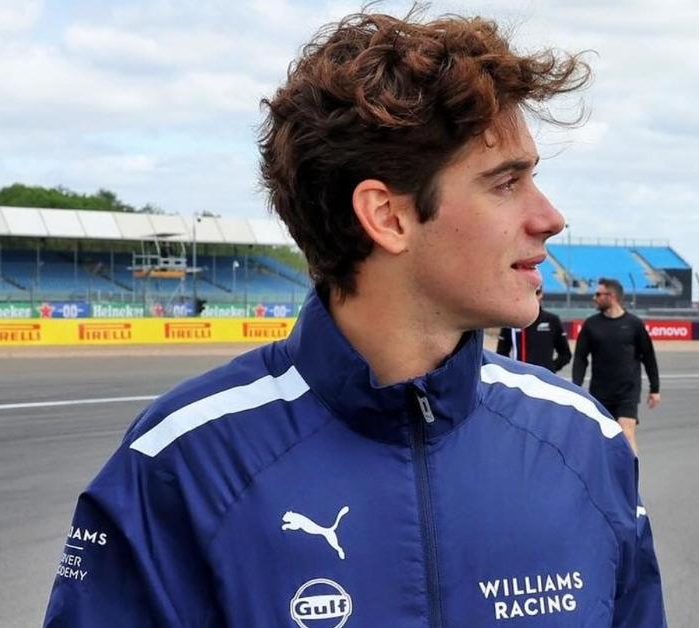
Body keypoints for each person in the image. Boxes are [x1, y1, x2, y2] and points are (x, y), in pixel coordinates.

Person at [42, 10, 665, 628]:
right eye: (506, 183)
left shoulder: (584, 442)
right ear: (387, 217)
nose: (551, 217)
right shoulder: (183, 463)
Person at [572, 278, 661, 455]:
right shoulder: (591, 325)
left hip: (627, 391)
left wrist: (655, 388)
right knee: (602, 439)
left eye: (598, 294)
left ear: (611, 296)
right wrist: (576, 386)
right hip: (600, 392)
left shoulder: (634, 324)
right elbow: (581, 358)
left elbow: (648, 356)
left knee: (626, 435)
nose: (594, 298)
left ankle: (630, 480)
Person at [496, 286, 572, 373]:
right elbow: (501, 353)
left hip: (543, 380)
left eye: (537, 293)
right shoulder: (511, 321)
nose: (533, 297)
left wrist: (549, 370)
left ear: (541, 295)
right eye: (529, 293)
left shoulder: (552, 320)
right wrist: (511, 371)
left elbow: (565, 354)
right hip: (519, 378)